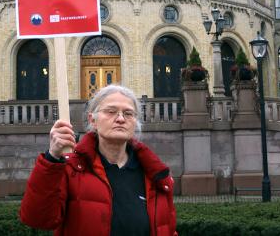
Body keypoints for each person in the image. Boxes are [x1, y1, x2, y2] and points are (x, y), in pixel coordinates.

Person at [20, 85, 177, 236]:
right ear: (92, 120)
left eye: (128, 113)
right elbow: (37, 219)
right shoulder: (71, 168)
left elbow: (167, 229)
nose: (121, 118)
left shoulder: (155, 175)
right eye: (111, 111)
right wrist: (52, 157)